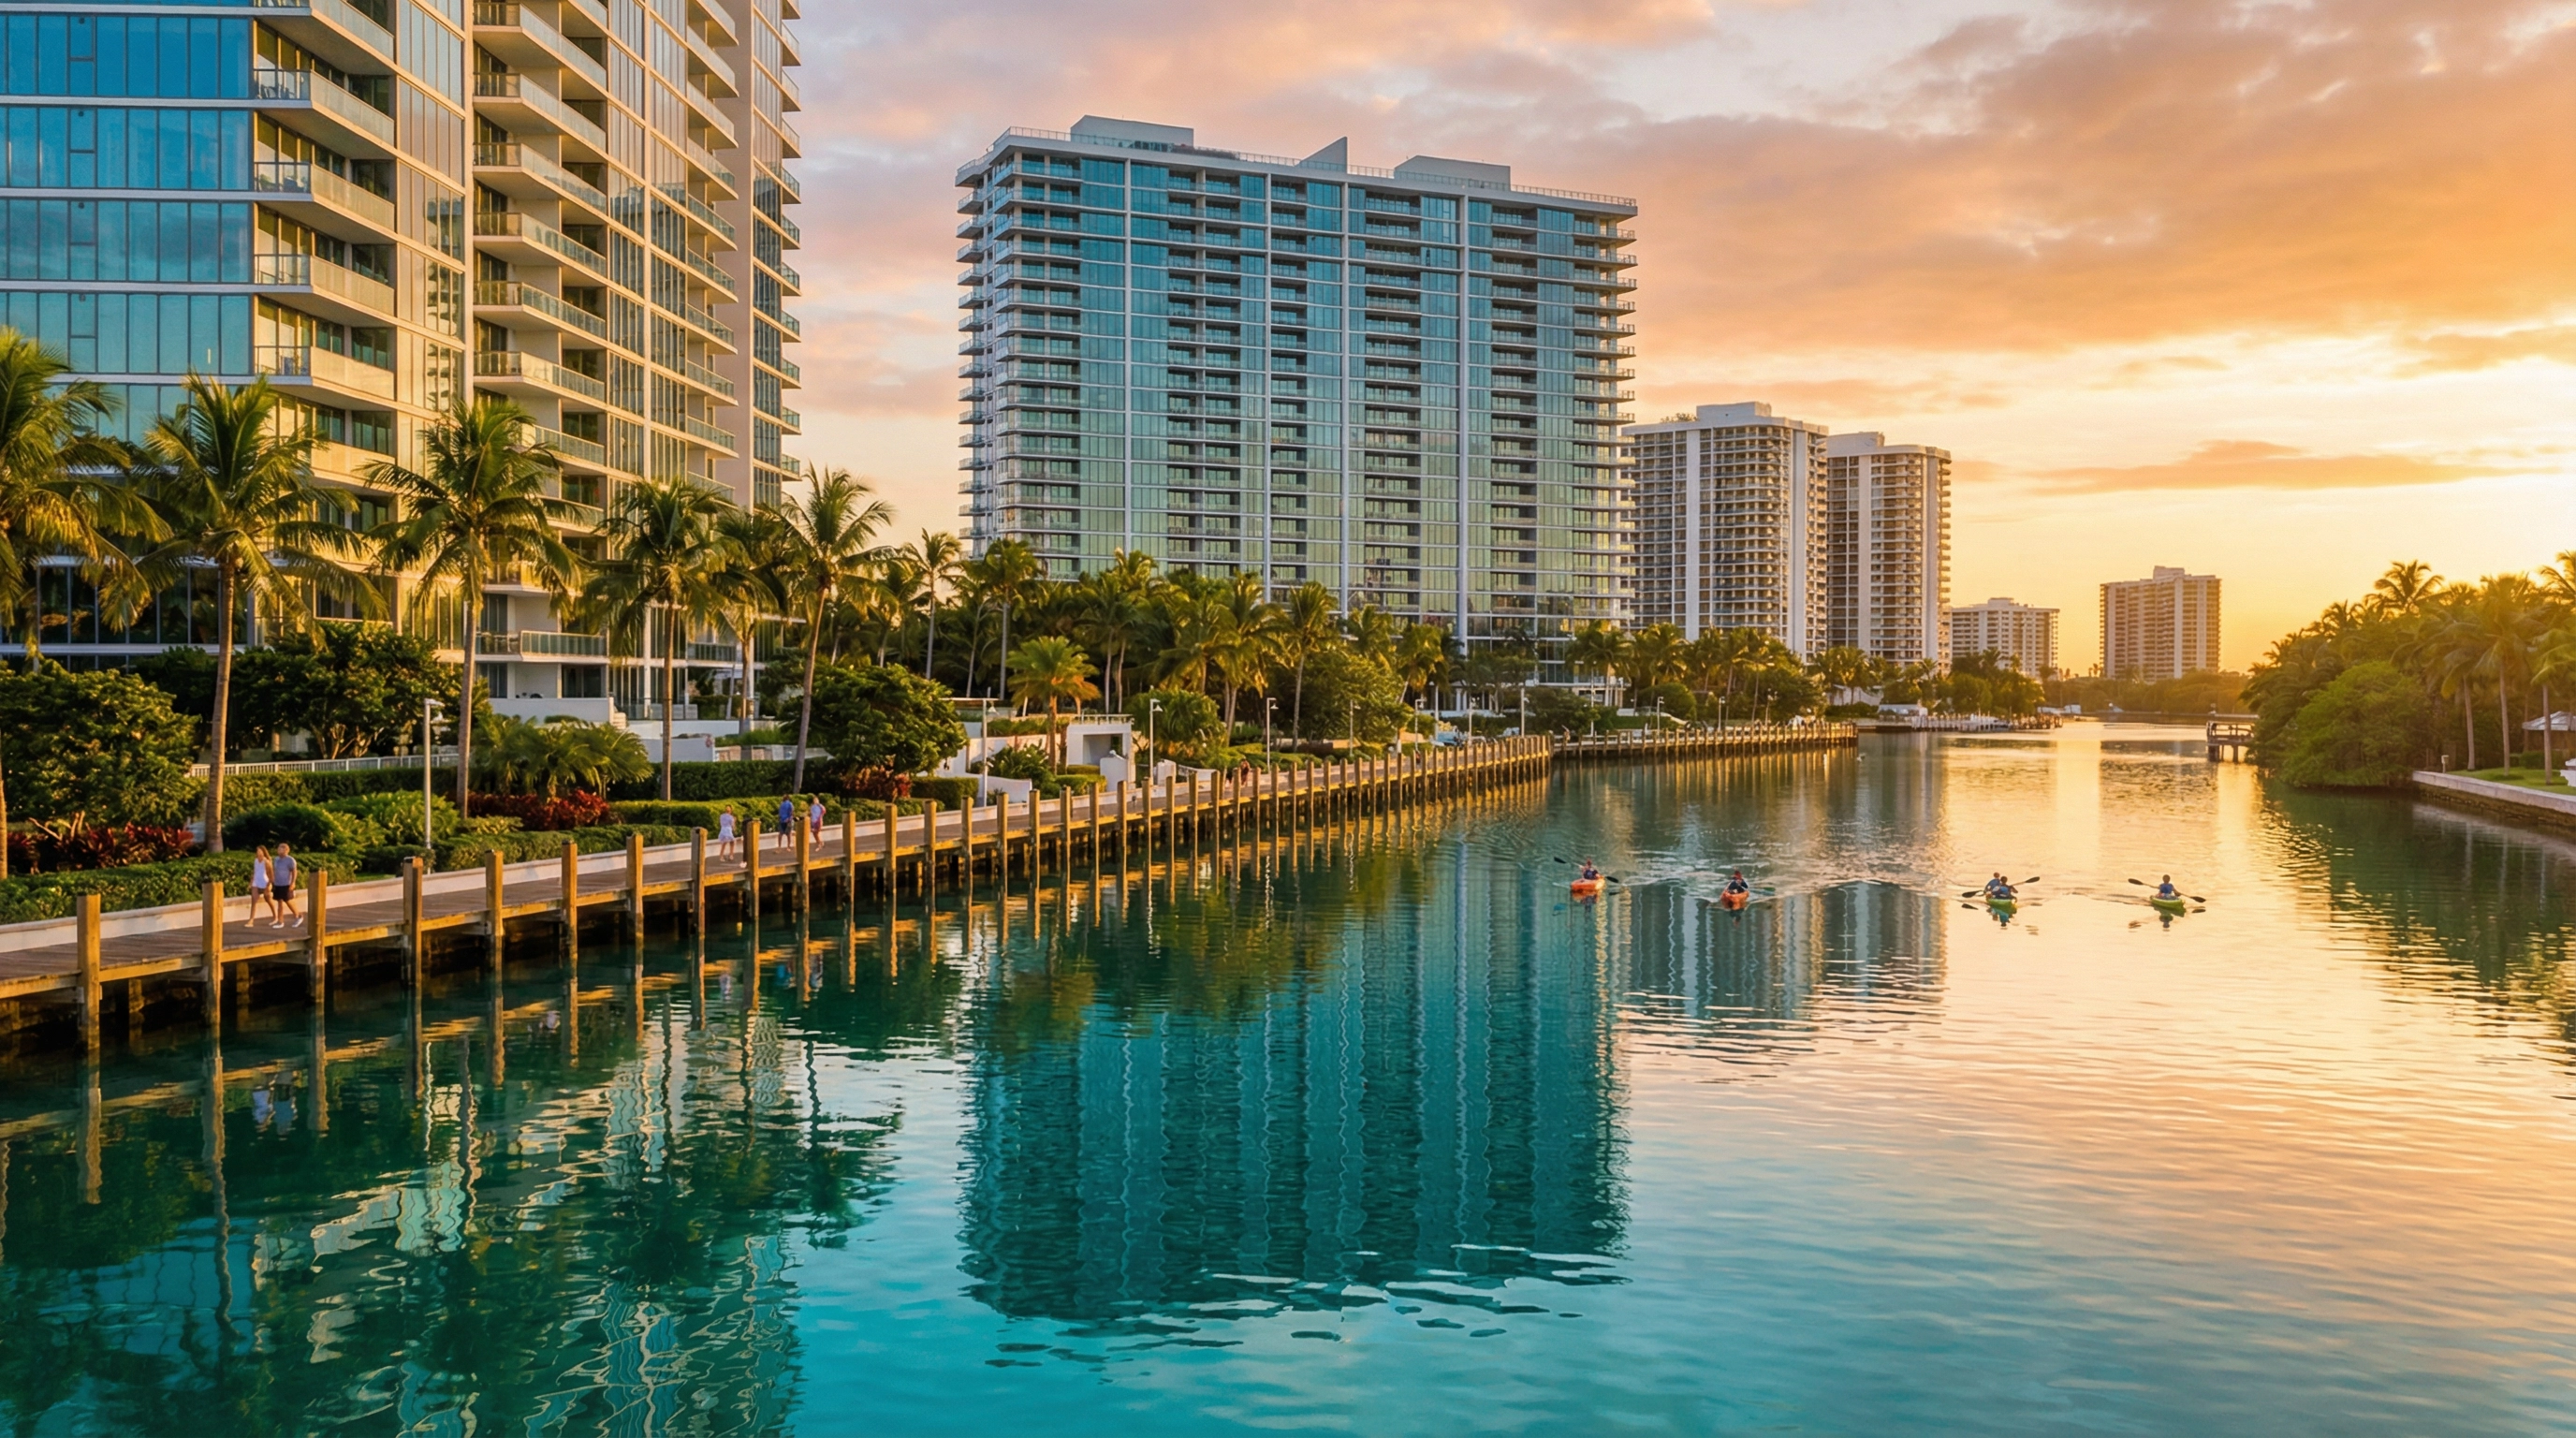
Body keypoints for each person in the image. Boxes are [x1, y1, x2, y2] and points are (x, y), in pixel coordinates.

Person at [271, 844, 301, 928]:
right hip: (278, 884)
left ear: (286, 850)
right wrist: (272, 880)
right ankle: (280, 922)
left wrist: (293, 882)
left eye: (280, 849)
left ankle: (298, 915)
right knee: (279, 902)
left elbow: (294, 872)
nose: (278, 850)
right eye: (278, 849)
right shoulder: (276, 859)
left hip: (286, 883)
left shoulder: (290, 860)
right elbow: (274, 870)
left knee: (288, 901)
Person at [247, 845, 274, 926]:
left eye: (260, 851)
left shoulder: (266, 862)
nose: (258, 853)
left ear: (264, 852)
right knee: (254, 900)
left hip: (265, 882)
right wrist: (251, 882)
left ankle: (275, 916)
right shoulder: (255, 861)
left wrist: (269, 884)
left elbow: (271, 874)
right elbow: (255, 872)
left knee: (268, 899)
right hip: (256, 882)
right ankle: (251, 920)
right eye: (257, 851)